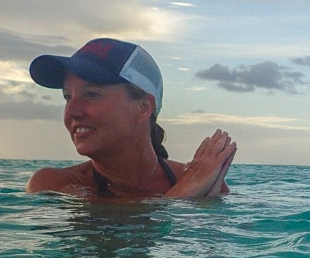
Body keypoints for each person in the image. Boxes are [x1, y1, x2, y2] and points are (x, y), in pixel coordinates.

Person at [26, 38, 237, 199]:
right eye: (67, 97)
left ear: (144, 108)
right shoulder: (51, 184)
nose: (72, 111)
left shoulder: (202, 180)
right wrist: (184, 195)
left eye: (91, 94)